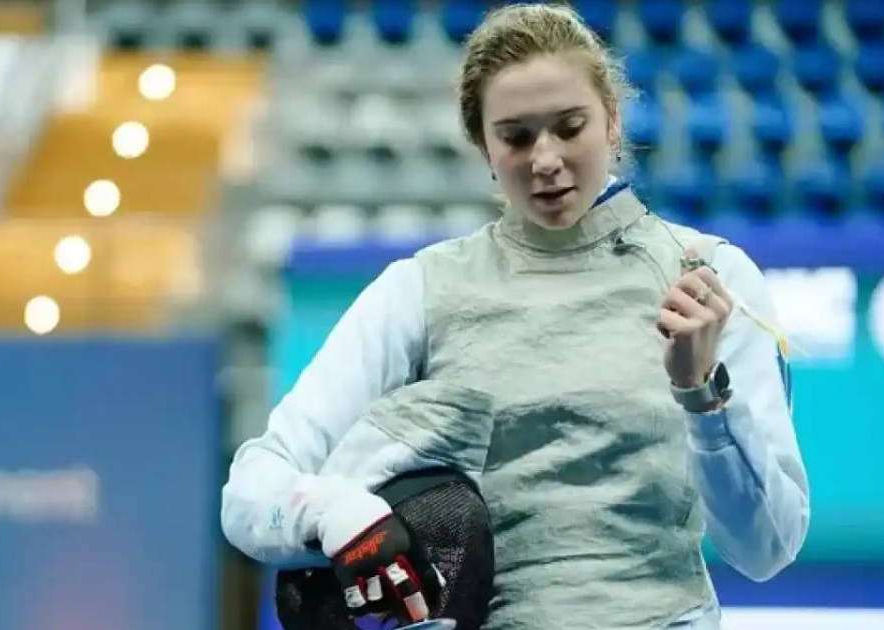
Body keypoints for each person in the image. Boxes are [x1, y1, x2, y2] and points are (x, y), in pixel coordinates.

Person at [222, 4, 810, 629]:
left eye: (570, 127)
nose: (546, 159)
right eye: (516, 137)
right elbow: (250, 493)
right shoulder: (420, 290)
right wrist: (334, 513)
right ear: (484, 146)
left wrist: (702, 396)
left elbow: (767, 548)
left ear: (612, 120)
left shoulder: (707, 277)